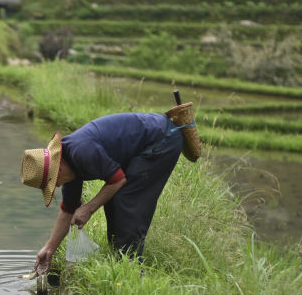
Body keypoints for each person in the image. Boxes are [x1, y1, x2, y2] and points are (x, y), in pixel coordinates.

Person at [20, 112, 185, 275]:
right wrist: (49, 248)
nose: (56, 187)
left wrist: (88, 209)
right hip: (149, 142)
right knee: (112, 200)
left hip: (162, 139)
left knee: (126, 200)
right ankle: (120, 265)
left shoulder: (81, 151)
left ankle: (133, 271)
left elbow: (118, 180)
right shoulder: (70, 168)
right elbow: (67, 211)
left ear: (59, 170)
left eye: (53, 183)